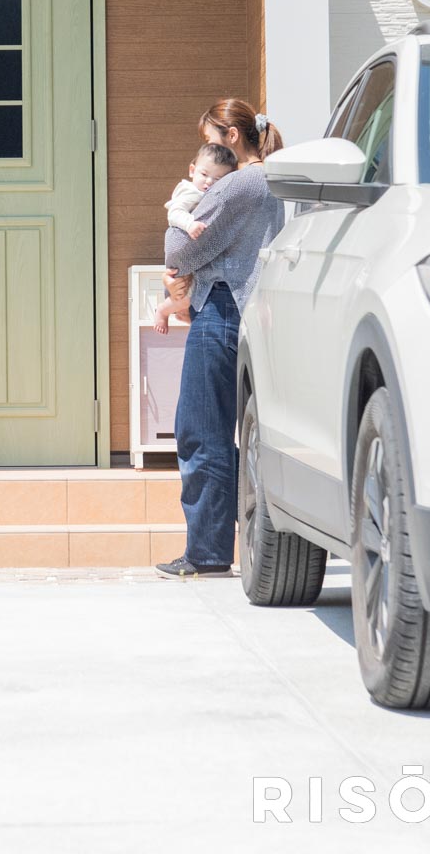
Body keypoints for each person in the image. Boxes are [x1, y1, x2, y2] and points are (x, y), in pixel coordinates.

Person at [156, 99, 286, 577]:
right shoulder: (269, 180)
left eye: (211, 142)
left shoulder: (239, 183)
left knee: (201, 430)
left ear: (232, 137)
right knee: (229, 432)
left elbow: (178, 247)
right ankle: (244, 537)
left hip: (221, 309)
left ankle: (208, 552)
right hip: (240, 309)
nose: (206, 161)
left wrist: (176, 275)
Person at [153, 142, 239, 333]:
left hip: (192, 257)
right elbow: (174, 213)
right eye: (204, 174)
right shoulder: (191, 192)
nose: (208, 182)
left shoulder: (208, 195)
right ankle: (163, 310)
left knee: (190, 294)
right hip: (184, 257)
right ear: (192, 170)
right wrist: (190, 224)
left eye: (217, 179)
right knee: (188, 295)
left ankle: (179, 312)